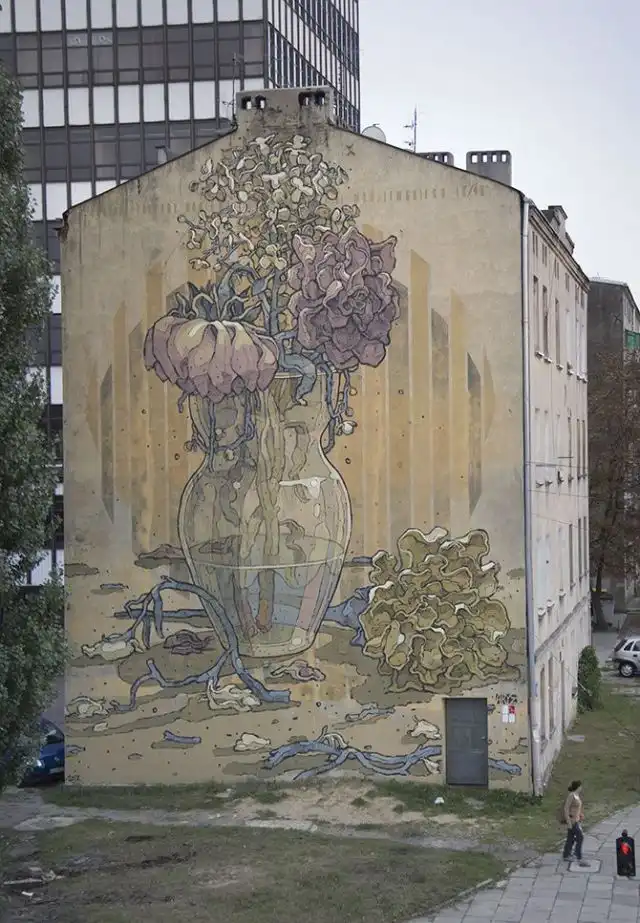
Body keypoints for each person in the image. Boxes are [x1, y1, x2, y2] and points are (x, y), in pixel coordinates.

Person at [562, 780, 589, 866]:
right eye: (580, 786)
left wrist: (580, 814)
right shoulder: (571, 795)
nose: (581, 788)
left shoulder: (577, 796)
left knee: (570, 838)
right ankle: (578, 856)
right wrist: (568, 822)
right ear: (577, 787)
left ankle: (566, 855)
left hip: (576, 820)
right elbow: (566, 808)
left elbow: (577, 807)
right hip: (572, 821)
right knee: (580, 837)